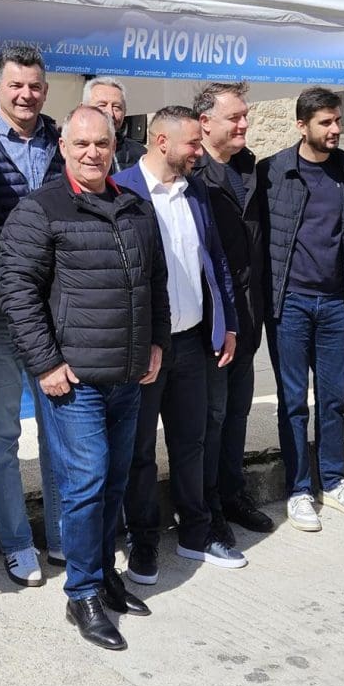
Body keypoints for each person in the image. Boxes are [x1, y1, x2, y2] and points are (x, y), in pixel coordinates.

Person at [0, 104, 170, 651]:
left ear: (114, 146)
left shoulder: (135, 208)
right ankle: (82, 592)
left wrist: (156, 343)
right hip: (75, 380)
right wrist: (46, 363)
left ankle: (103, 575)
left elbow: (155, 282)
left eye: (102, 143)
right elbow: (17, 291)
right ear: (64, 148)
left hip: (128, 374)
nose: (93, 153)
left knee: (114, 480)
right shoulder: (40, 209)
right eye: (82, 144)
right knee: (86, 483)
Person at [113, 106, 244, 583]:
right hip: (143, 348)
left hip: (192, 343)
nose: (198, 152)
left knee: (193, 442)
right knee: (140, 450)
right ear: (161, 141)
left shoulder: (197, 191)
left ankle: (196, 532)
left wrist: (227, 323)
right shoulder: (120, 190)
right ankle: (143, 539)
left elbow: (216, 261)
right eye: (192, 143)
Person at [0, 46, 64, 586]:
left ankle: (63, 534)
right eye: (16, 85)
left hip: (53, 314)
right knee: (1, 437)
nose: (26, 95)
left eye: (35, 86)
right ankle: (17, 542)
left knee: (58, 431)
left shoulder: (61, 144)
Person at [260, 87, 344, 533]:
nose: (335, 129)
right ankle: (299, 489)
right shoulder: (273, 171)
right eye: (326, 122)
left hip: (333, 304)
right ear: (302, 126)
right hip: (289, 303)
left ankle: (333, 480)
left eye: (337, 120)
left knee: (333, 398)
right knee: (292, 402)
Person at [192, 82, 275, 538]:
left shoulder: (250, 168)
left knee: (238, 412)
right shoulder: (191, 175)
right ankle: (205, 509)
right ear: (205, 122)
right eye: (235, 117)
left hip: (248, 317)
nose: (244, 124)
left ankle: (231, 494)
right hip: (209, 323)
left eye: (245, 116)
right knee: (210, 417)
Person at [83, 76, 145, 171]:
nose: (110, 113)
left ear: (125, 112)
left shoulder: (141, 155)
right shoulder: (65, 152)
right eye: (102, 105)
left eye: (116, 107)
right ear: (83, 109)